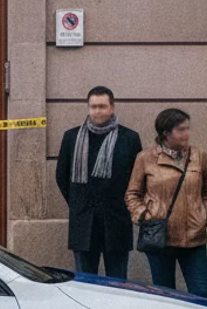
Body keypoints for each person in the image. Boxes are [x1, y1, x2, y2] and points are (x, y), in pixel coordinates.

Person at [125, 108, 207, 298]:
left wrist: (205, 214)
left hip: (194, 237)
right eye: (181, 130)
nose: (187, 134)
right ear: (166, 133)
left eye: (188, 128)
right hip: (160, 239)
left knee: (200, 295)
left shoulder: (198, 156)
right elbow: (132, 194)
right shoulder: (145, 158)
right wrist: (144, 216)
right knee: (165, 296)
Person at [55, 85, 142, 278]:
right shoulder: (71, 137)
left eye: (102, 106)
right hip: (83, 222)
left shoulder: (129, 138)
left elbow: (137, 179)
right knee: (85, 282)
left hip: (116, 220)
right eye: (93, 106)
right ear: (88, 108)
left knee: (118, 283)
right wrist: (78, 203)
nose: (97, 111)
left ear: (112, 107)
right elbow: (62, 175)